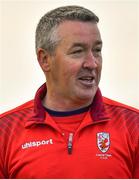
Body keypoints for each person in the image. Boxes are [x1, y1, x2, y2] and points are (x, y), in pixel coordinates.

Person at [0, 5, 139, 179]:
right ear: (45, 60)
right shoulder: (5, 131)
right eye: (78, 51)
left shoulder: (134, 125)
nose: (92, 63)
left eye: (97, 50)